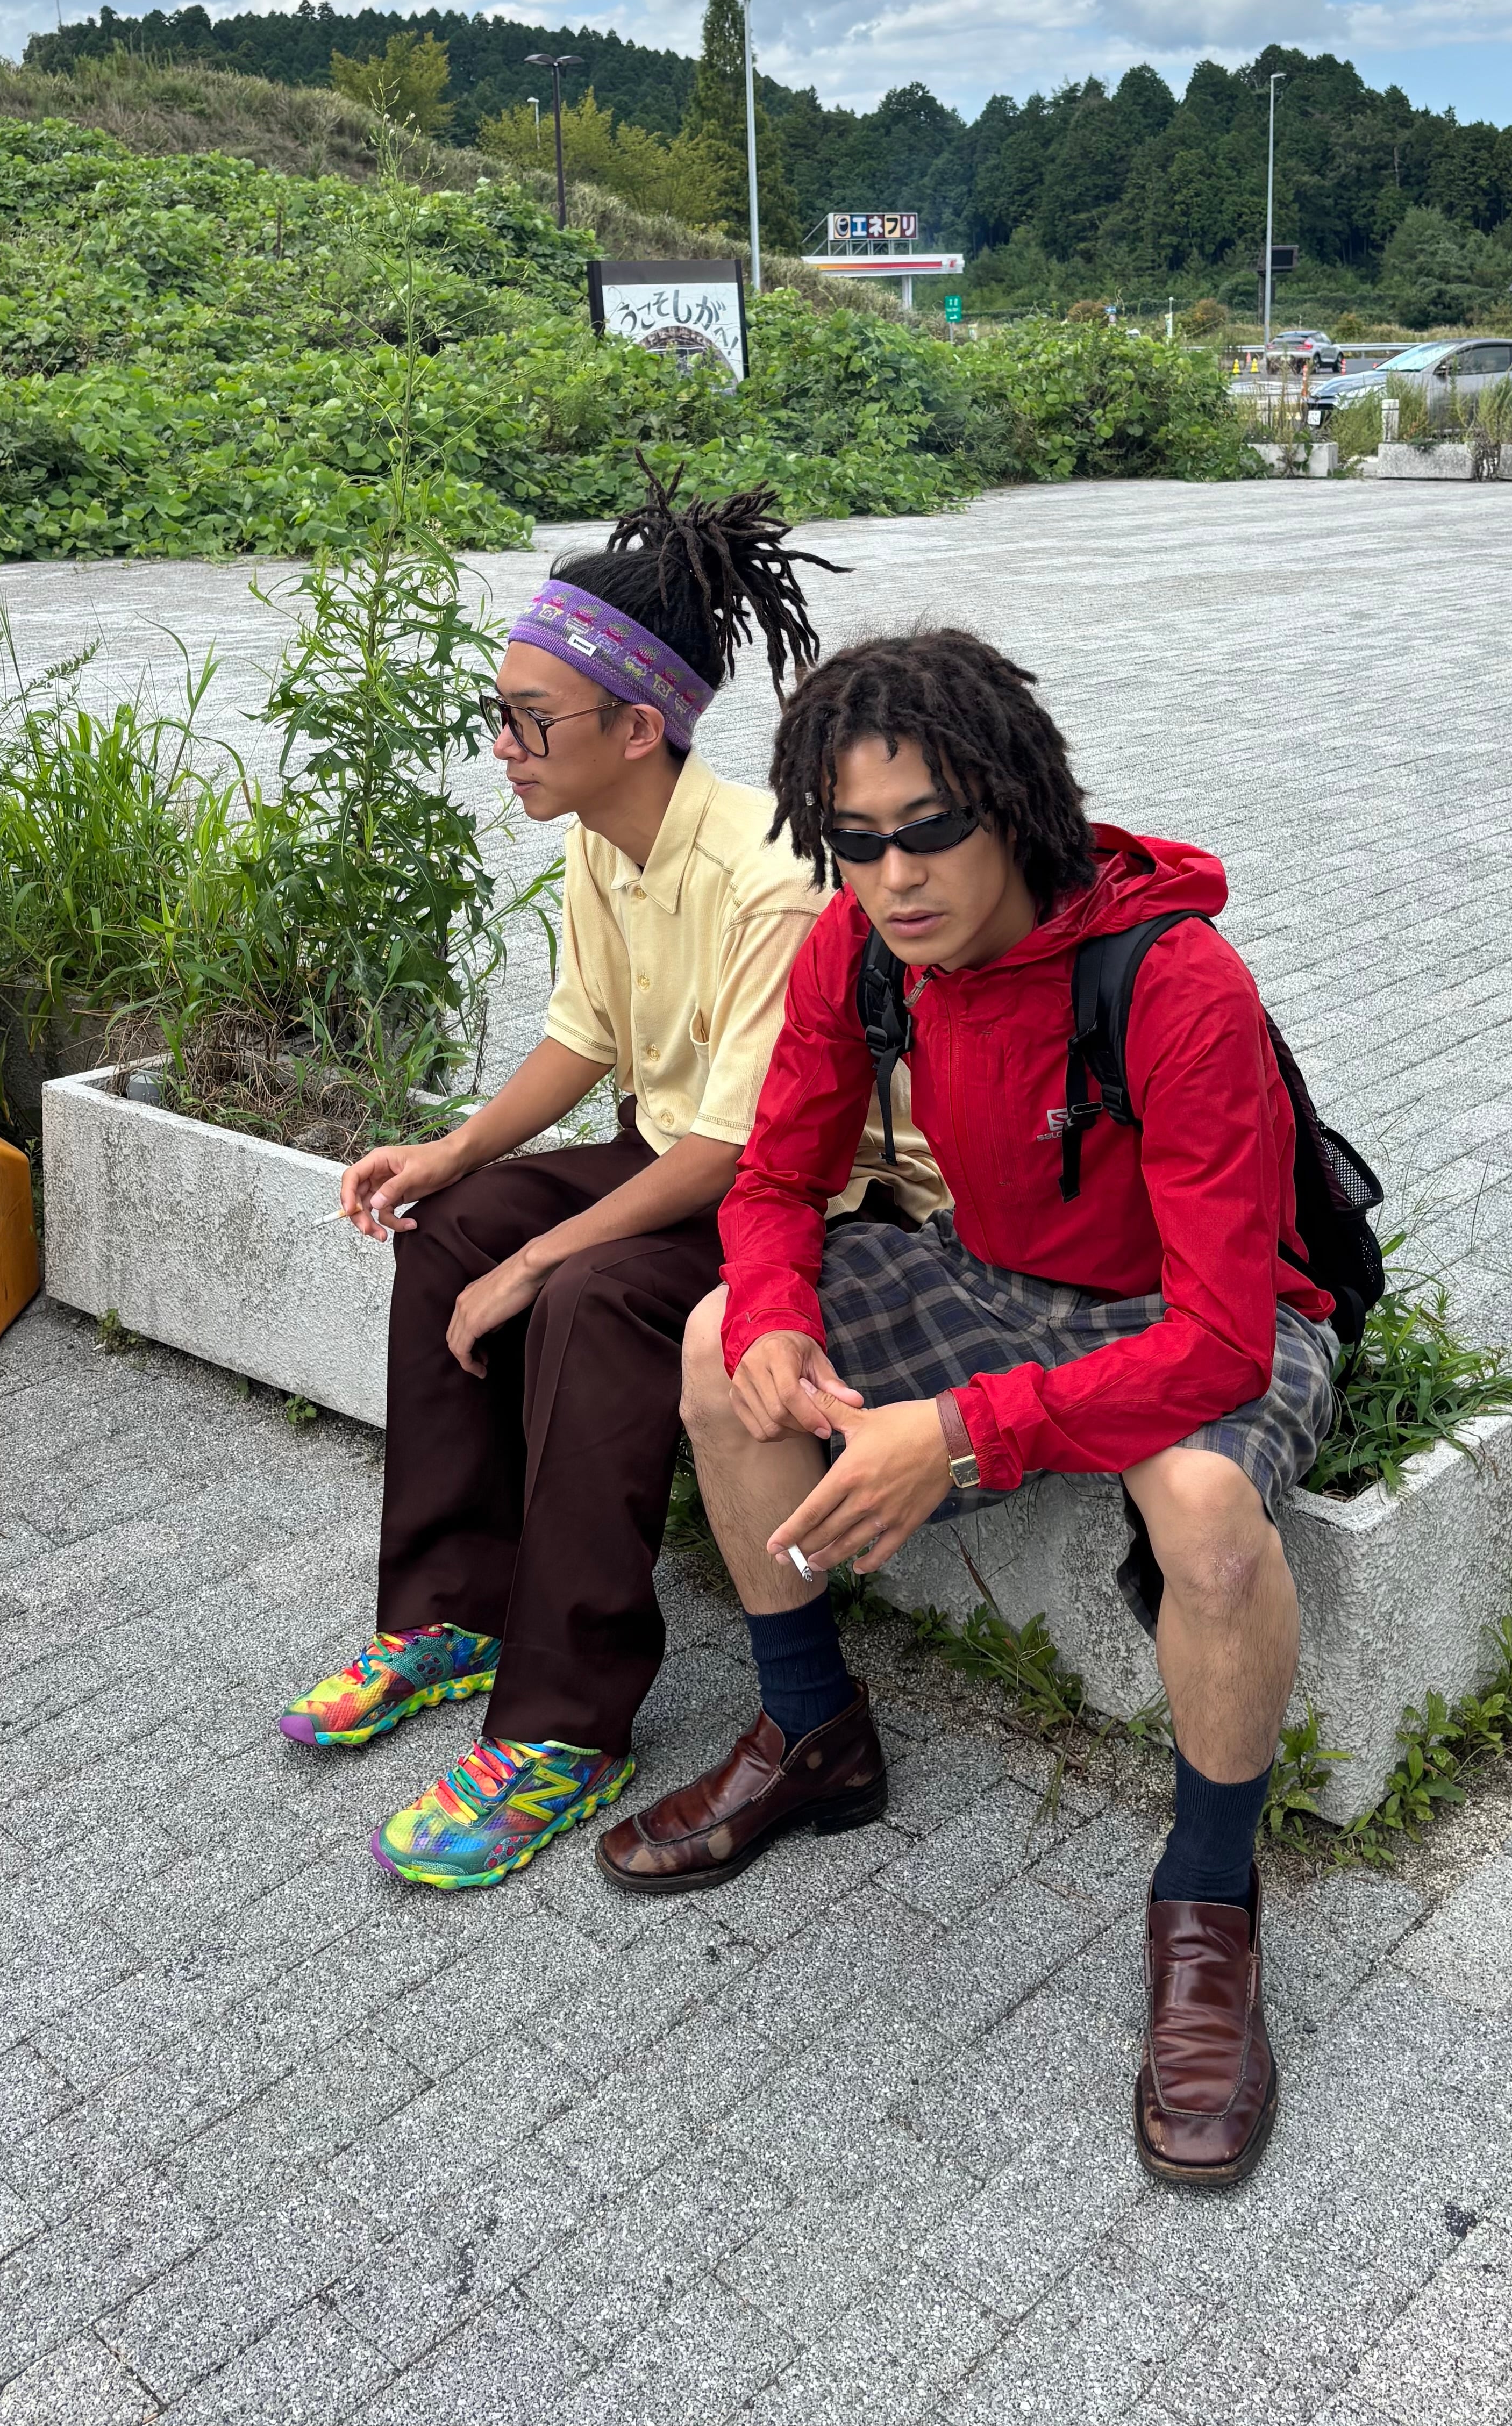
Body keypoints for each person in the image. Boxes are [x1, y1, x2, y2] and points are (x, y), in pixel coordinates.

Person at [597, 628, 1340, 2186]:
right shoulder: (857, 947)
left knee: (1208, 1514)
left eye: (931, 829)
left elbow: (1220, 1341)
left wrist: (959, 1434)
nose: (895, 877)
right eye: (857, 841)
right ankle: (812, 1731)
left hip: (1198, 1315)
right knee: (724, 1338)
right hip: (989, 1278)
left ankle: (1209, 1907)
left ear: (1015, 802)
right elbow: (777, 1178)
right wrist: (781, 1315)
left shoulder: (1173, 980)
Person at [277, 480, 943, 1890]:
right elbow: (584, 1036)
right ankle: (456, 1611)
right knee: (448, 1231)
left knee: (588, 1297)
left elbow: (741, 1154)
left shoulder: (770, 876)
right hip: (682, 1157)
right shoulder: (605, 838)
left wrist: (542, 1259)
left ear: (640, 727)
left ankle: (564, 1726)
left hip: (802, 1199)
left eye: (532, 720)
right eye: (500, 713)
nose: (504, 746)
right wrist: (454, 1155)